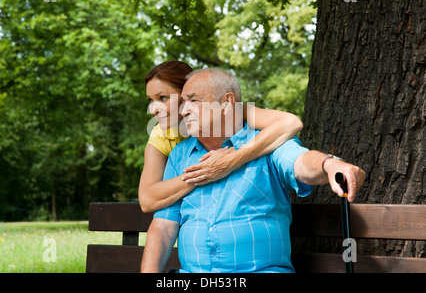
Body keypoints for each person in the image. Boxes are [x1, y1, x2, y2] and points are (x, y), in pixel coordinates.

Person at [141, 68, 365, 273]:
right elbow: (162, 228)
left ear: (227, 103)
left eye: (193, 101)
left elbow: (301, 163)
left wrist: (330, 164)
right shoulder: (179, 154)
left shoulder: (266, 143)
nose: (184, 111)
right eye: (182, 102)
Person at [139, 61, 304, 213]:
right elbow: (147, 200)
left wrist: (232, 159)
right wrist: (204, 173)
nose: (153, 109)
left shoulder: (231, 110)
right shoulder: (162, 135)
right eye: (150, 100)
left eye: (163, 98)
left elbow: (290, 122)